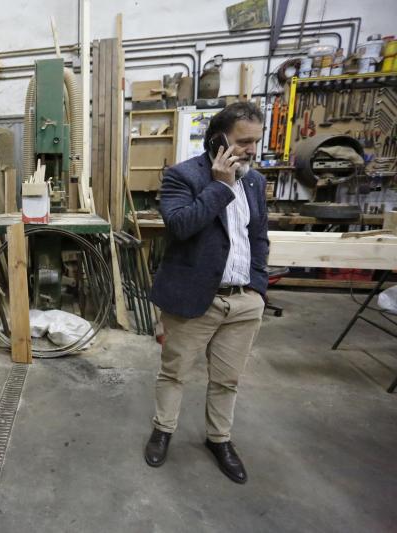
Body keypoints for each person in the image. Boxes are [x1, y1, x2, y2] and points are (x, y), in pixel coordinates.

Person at [144, 101, 269, 484]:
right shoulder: (182, 176)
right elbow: (180, 226)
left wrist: (258, 286)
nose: (251, 150)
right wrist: (219, 186)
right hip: (195, 298)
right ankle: (163, 431)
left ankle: (220, 439)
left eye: (256, 142)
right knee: (175, 373)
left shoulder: (256, 181)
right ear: (218, 140)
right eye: (243, 141)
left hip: (243, 301)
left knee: (227, 379)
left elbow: (257, 236)